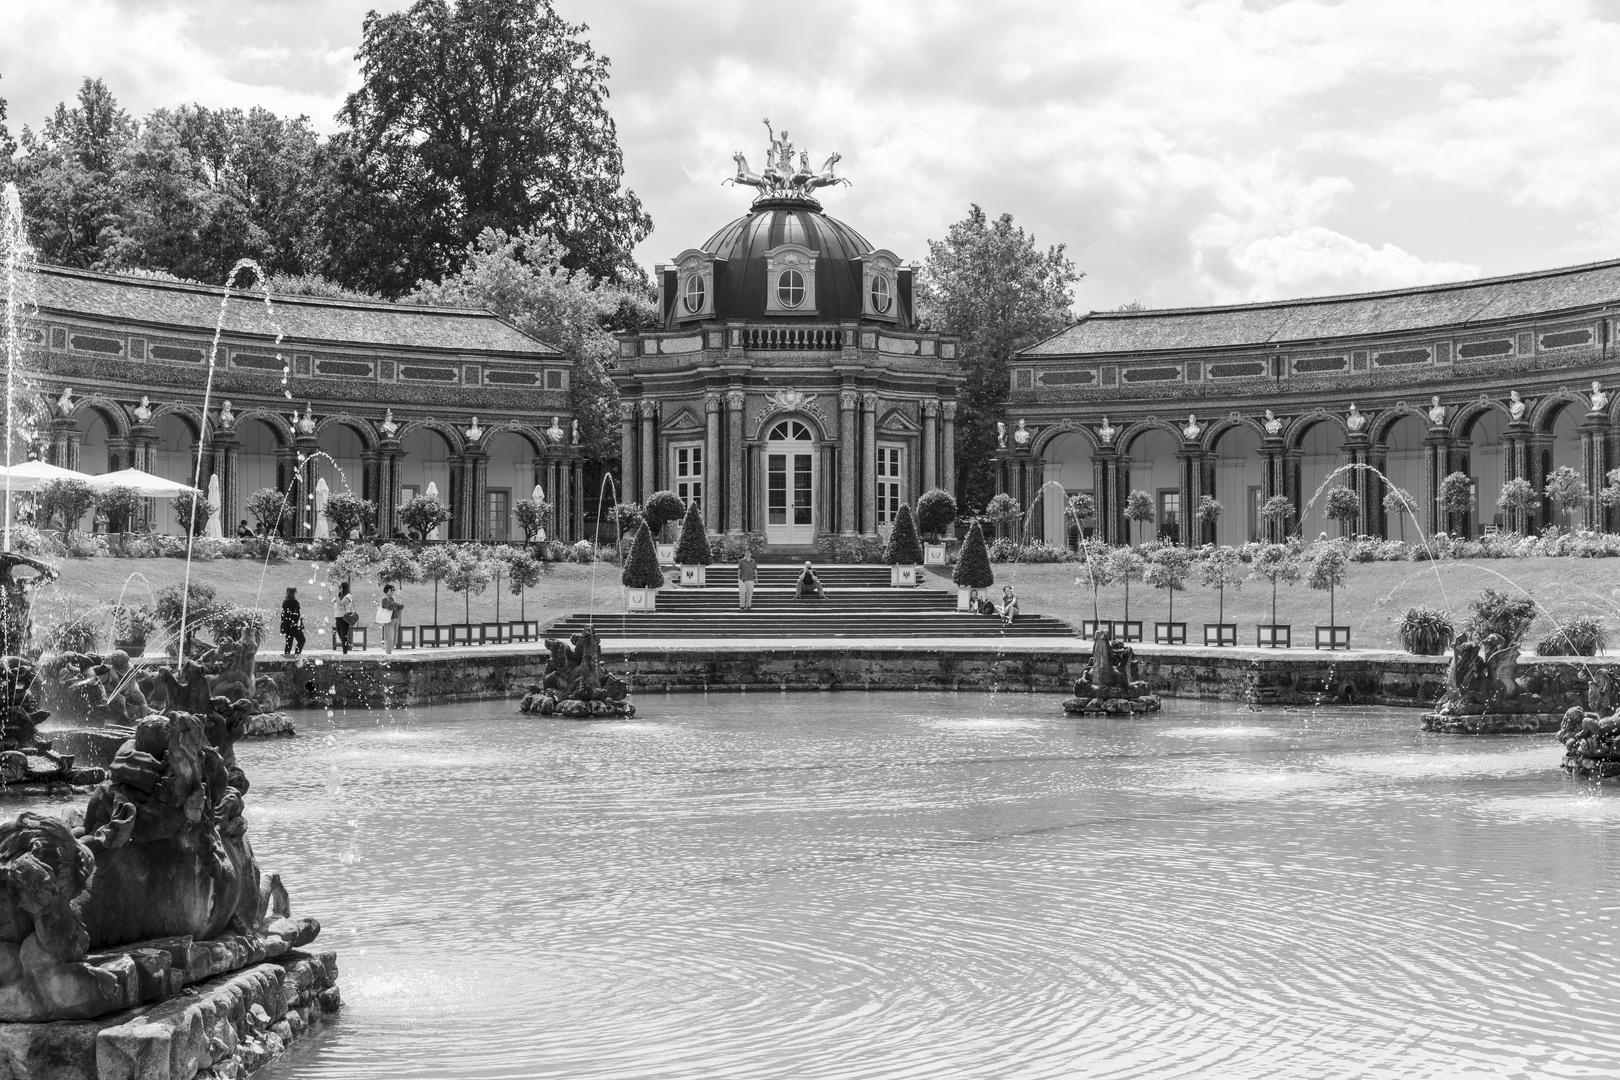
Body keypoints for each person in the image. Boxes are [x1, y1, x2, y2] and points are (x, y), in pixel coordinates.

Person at [380, 582, 405, 654]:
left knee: (394, 639)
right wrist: (395, 603)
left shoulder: (393, 598)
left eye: (393, 590)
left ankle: (390, 652)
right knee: (389, 637)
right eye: (391, 590)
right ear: (387, 590)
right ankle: (388, 653)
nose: (392, 592)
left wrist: (400, 600)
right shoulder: (384, 599)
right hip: (389, 620)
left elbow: (400, 607)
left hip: (396, 619)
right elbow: (389, 607)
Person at [280, 587, 305, 656]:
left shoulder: (285, 602)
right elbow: (296, 615)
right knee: (302, 640)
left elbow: (283, 615)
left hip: (287, 625)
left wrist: (283, 626)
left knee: (289, 642)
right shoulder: (295, 603)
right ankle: (296, 654)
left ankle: (286, 657)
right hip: (295, 626)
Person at [333, 581, 357, 654]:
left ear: (344, 587)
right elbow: (331, 602)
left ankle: (345, 652)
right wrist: (330, 593)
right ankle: (345, 650)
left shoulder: (348, 596)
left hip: (344, 618)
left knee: (344, 636)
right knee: (340, 635)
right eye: (338, 587)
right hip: (337, 617)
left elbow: (340, 604)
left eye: (340, 587)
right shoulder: (340, 595)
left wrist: (336, 595)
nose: (339, 588)